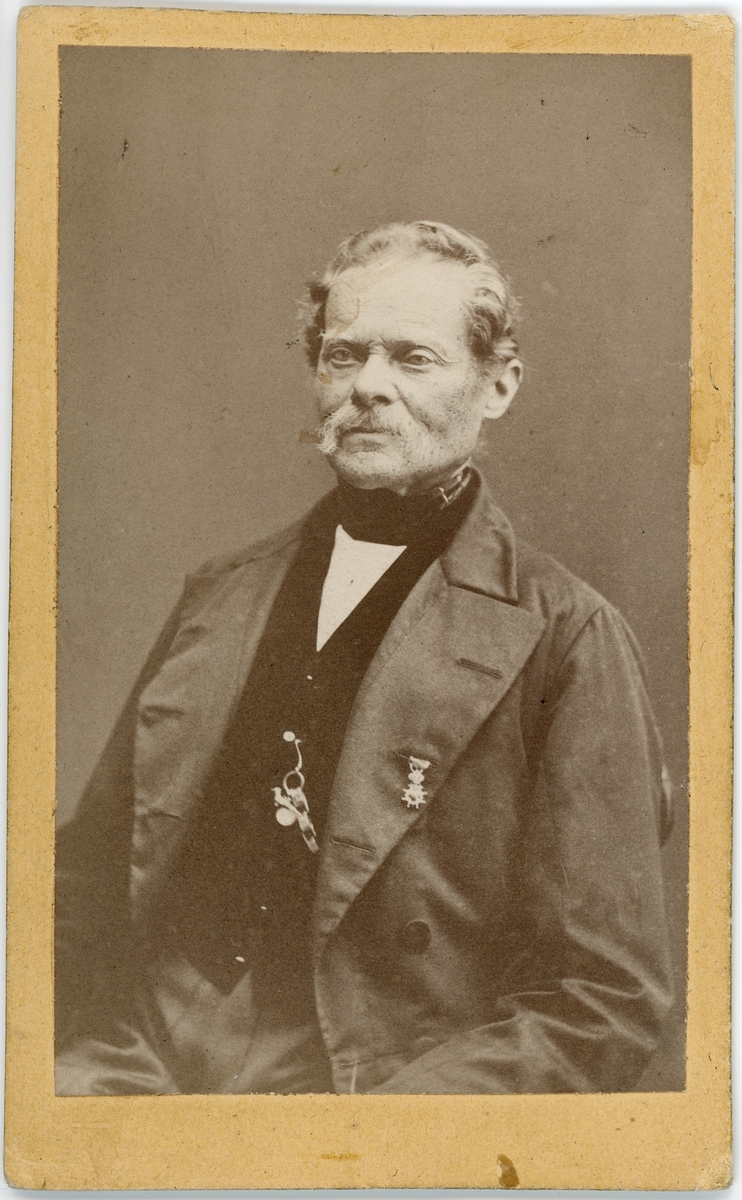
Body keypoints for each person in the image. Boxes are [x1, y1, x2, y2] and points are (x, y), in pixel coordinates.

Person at [55, 220, 674, 1096]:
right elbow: (81, 885)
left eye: (413, 358)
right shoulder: (220, 593)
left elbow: (600, 1002)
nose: (368, 387)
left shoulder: (568, 635)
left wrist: (365, 1145)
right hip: (133, 1058)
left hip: (372, 1094)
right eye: (343, 356)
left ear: (498, 385)